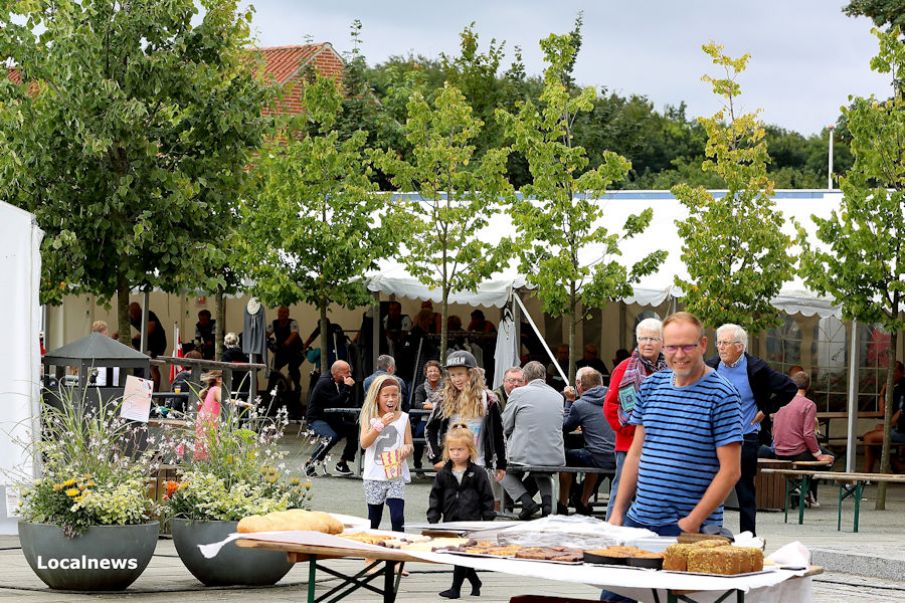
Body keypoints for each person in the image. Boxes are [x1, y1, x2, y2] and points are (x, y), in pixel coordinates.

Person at [706, 323, 796, 536]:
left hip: (744, 437)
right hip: (714, 439)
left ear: (740, 346)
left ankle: (748, 538)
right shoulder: (710, 366)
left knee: (744, 491)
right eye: (718, 342)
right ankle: (708, 535)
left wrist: (766, 409)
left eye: (726, 343)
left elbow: (789, 388)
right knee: (709, 488)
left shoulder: (756, 368)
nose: (721, 347)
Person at [603, 318, 667, 521]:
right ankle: (611, 534)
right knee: (621, 492)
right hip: (628, 445)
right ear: (637, 341)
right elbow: (610, 407)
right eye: (643, 338)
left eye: (653, 338)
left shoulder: (670, 371)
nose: (648, 343)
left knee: (652, 495)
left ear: (662, 342)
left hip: (659, 445)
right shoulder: (624, 368)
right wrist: (634, 430)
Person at [425, 351, 507, 494]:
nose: (456, 379)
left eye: (460, 374)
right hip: (451, 465)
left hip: (480, 465)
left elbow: (498, 433)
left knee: (476, 509)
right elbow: (430, 429)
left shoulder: (488, 399)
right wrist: (436, 458)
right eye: (452, 375)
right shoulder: (444, 399)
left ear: (471, 374)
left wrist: (501, 464)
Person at [427, 426, 494, 599]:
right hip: (451, 519)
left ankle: (455, 589)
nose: (456, 453)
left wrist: (487, 519)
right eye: (452, 449)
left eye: (460, 449)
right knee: (459, 554)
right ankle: (475, 580)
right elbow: (436, 496)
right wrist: (433, 516)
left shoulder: (478, 473)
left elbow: (487, 497)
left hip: (471, 521)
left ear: (470, 450)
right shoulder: (444, 474)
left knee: (460, 554)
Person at [500, 360, 565, 519]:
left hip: (525, 454)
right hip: (554, 455)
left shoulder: (518, 393)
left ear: (525, 378)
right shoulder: (557, 396)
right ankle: (548, 505)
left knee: (499, 468)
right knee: (540, 468)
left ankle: (527, 502)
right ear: (544, 377)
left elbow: (505, 425)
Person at [772, 371, 835, 506]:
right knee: (829, 457)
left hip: (778, 451)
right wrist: (818, 455)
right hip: (797, 452)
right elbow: (808, 434)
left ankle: (801, 489)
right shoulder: (808, 404)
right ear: (808, 386)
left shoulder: (780, 400)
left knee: (819, 457)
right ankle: (807, 491)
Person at [359, 375, 412, 533]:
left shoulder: (403, 418)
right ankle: (371, 553)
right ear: (377, 397)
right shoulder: (369, 417)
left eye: (394, 395)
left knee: (397, 518)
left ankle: (397, 555)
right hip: (374, 475)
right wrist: (380, 425)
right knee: (374, 519)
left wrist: (406, 449)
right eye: (386, 395)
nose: (391, 399)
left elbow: (408, 443)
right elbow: (364, 443)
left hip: (395, 475)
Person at [560, 367, 615, 515]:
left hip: (595, 456)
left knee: (562, 455)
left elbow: (564, 426)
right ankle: (583, 500)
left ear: (579, 385)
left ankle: (563, 503)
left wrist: (569, 401)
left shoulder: (580, 405)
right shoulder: (614, 400)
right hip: (616, 456)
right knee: (590, 450)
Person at [304, 360, 358, 477]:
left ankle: (343, 462)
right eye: (347, 372)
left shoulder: (340, 381)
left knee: (355, 429)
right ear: (336, 372)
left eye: (350, 371)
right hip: (317, 419)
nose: (350, 375)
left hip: (331, 418)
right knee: (331, 437)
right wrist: (347, 388)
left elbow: (345, 402)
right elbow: (334, 403)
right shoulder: (325, 383)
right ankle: (310, 462)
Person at [863, 360, 905, 473]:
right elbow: (883, 412)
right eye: (889, 371)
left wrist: (889, 425)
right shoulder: (895, 388)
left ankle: (866, 475)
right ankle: (896, 463)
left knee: (868, 438)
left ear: (902, 372)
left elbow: (900, 413)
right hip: (897, 427)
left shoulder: (903, 388)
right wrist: (882, 392)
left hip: (902, 430)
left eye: (894, 370)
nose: (891, 373)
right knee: (877, 429)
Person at [412, 360, 443, 473]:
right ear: (426, 373)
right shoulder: (421, 388)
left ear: (440, 373)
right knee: (419, 435)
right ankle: (417, 465)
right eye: (430, 371)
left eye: (435, 370)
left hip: (441, 419)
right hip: (424, 419)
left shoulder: (446, 387)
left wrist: (432, 406)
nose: (433, 373)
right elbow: (418, 404)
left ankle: (441, 465)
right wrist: (438, 406)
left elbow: (449, 403)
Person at [129, 301, 167, 390]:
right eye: (132, 314)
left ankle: (156, 391)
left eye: (136, 313)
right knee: (134, 342)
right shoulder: (131, 317)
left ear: (140, 310)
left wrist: (140, 335)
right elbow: (124, 327)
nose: (134, 316)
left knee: (153, 367)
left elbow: (150, 327)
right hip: (146, 343)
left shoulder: (148, 314)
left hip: (157, 343)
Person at [266, 306, 304, 394]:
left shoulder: (292, 322)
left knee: (293, 368)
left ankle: (297, 388)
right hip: (282, 350)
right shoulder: (274, 323)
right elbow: (266, 333)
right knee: (274, 368)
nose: (281, 314)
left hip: (295, 350)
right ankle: (271, 389)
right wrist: (267, 341)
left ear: (288, 314)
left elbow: (294, 334)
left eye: (284, 313)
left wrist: (286, 342)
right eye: (280, 312)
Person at [194, 370, 223, 461]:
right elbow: (225, 401)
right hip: (208, 421)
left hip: (205, 420)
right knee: (212, 449)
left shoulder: (211, 389)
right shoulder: (217, 389)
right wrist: (243, 403)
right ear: (219, 379)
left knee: (204, 447)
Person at [221, 332, 250, 402]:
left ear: (225, 343)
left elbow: (223, 371)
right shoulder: (244, 355)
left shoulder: (225, 355)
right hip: (244, 385)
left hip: (230, 386)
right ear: (237, 342)